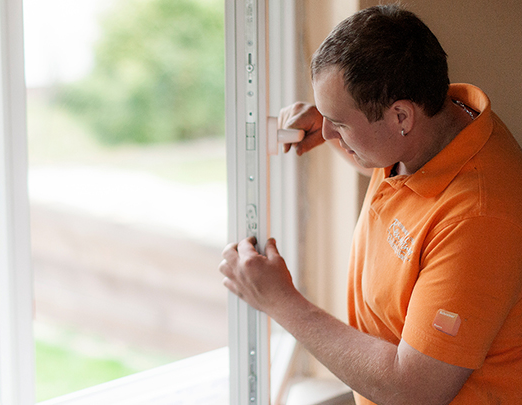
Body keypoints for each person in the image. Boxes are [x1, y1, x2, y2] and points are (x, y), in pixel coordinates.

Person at [219, 4, 522, 405]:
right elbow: (400, 179)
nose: (326, 130)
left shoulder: (480, 220)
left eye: (339, 121)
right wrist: (338, 133)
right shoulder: (436, 128)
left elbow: (413, 388)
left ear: (401, 116)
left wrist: (279, 300)